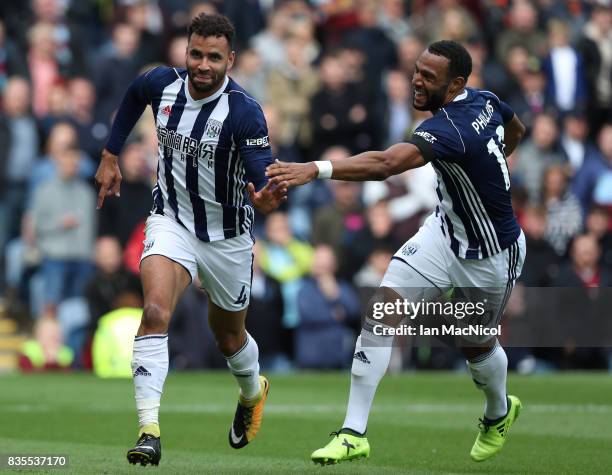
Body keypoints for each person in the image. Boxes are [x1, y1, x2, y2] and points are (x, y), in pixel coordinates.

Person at [267, 40, 527, 465]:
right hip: (443, 233)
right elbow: (515, 130)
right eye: (417, 70)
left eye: (429, 76)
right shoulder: (485, 99)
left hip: (491, 252)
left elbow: (386, 164)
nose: (417, 81)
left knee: (474, 344)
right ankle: (353, 432)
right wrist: (487, 167)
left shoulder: (449, 128)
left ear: (455, 83)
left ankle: (499, 411)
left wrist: (316, 169)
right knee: (381, 314)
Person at [95, 13, 287, 467]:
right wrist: (110, 152)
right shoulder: (162, 84)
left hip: (227, 237)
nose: (203, 64)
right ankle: (149, 430)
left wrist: (265, 197)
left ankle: (251, 392)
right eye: (196, 54)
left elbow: (262, 176)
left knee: (228, 337)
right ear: (186, 51)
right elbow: (131, 97)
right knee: (155, 311)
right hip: (171, 219)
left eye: (214, 57)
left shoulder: (243, 111)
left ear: (230, 60)